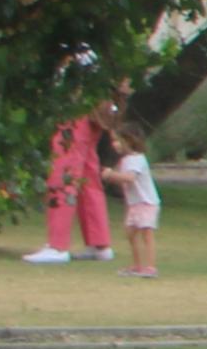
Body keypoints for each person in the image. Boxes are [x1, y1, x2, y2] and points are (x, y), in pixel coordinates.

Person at [31, 109, 111, 264]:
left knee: (64, 174)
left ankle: (58, 246)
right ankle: (99, 243)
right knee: (89, 180)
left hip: (76, 114)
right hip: (92, 112)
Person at [108, 123, 161, 277]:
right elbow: (122, 179)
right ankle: (137, 266)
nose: (114, 144)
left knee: (146, 234)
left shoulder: (137, 159)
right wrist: (110, 176)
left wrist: (111, 175)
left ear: (128, 141)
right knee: (130, 234)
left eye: (117, 140)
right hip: (135, 204)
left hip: (146, 202)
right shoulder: (125, 160)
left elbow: (130, 178)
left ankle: (151, 267)